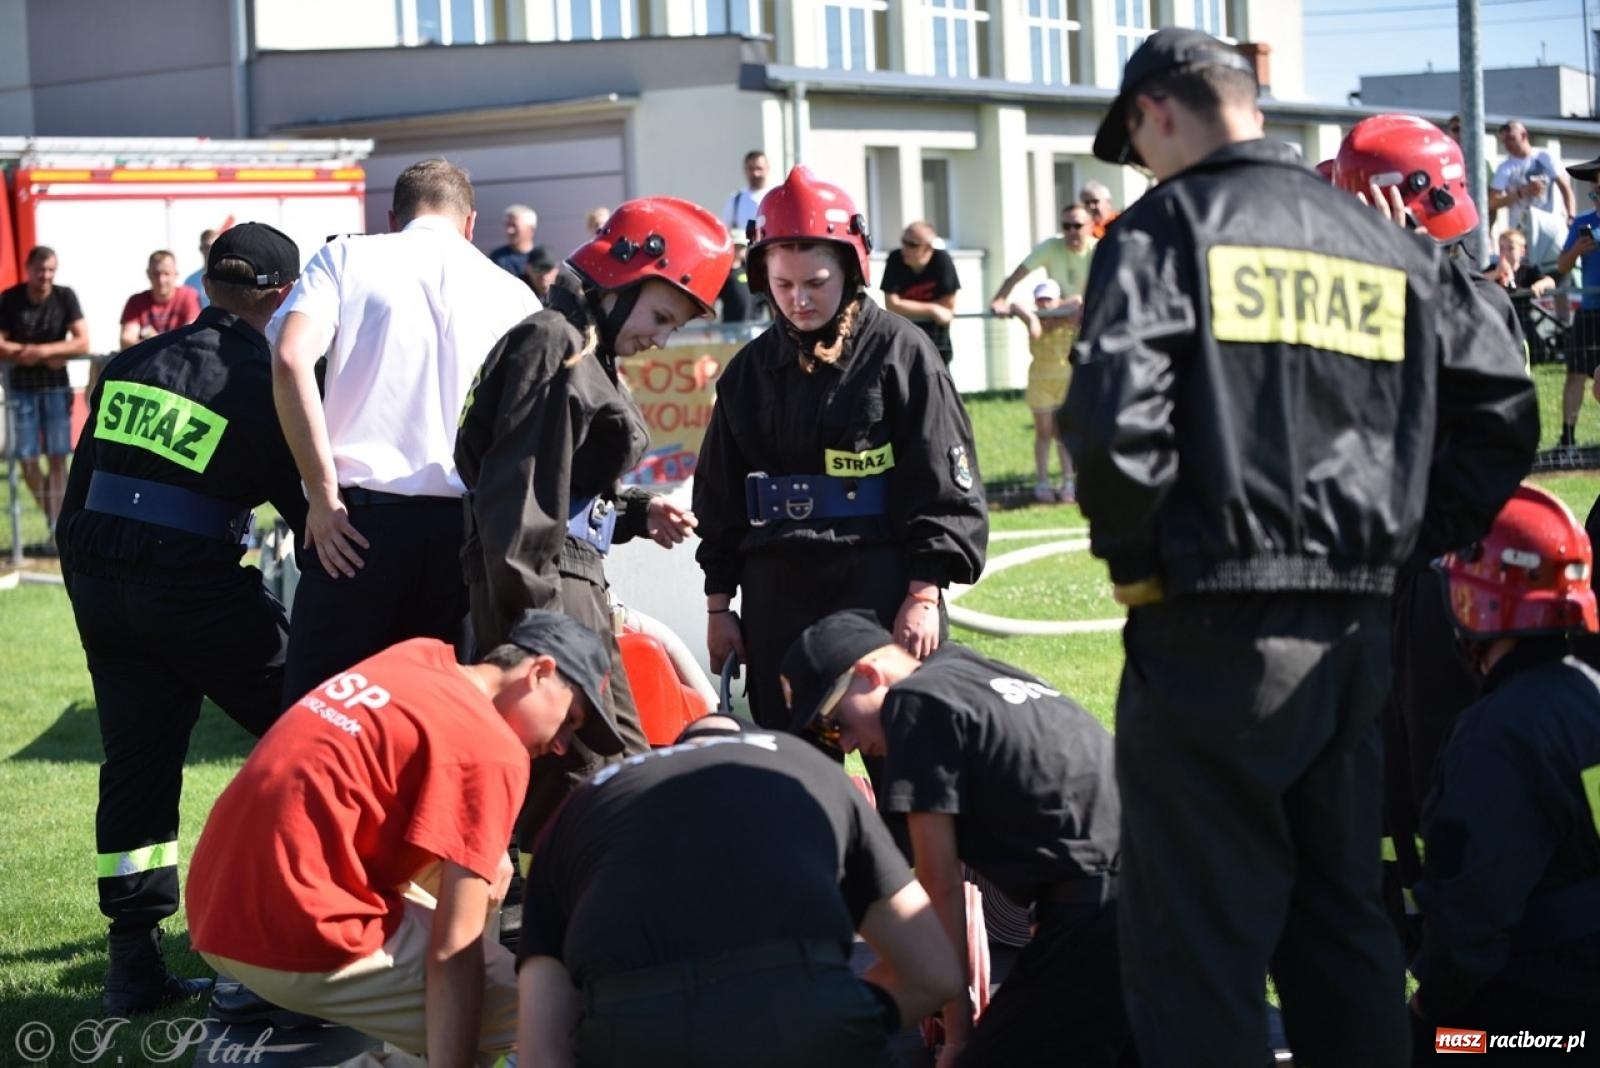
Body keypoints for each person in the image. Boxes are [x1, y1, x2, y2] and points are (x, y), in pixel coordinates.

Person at [1064, 29, 1538, 1067]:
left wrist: (1145, 567)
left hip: (1208, 626)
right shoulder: (1374, 236)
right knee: (1342, 925)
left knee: (1197, 941)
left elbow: (1107, 425)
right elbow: (1501, 403)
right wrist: (1408, 536)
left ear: (1156, 115)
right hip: (1354, 632)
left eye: (1138, 148)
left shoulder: (1162, 232)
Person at [52, 224, 308, 1014]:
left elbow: (79, 492)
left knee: (137, 770)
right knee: (319, 728)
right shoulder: (262, 379)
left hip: (101, 585)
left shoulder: (127, 363)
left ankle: (133, 968)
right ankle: (300, 929)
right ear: (279, 296)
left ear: (206, 279)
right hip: (188, 586)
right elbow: (309, 517)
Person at [185, 610, 626, 1066]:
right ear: (540, 672)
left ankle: (415, 1047)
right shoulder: (495, 750)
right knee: (562, 1014)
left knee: (489, 870)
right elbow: (453, 953)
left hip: (214, 903)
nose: (561, 745)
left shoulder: (417, 658)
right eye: (570, 720)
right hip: (290, 926)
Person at [455, 196, 732, 838]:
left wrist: (632, 512)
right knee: (585, 774)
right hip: (549, 593)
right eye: (661, 315)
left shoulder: (578, 347)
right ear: (620, 277)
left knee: (608, 768)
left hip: (562, 586)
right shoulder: (555, 344)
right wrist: (543, 637)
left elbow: (557, 481)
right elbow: (519, 499)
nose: (659, 338)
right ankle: (554, 923)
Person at [1331, 113, 1537, 963]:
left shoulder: (1469, 302)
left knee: (1441, 774)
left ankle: (1469, 999)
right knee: (1381, 777)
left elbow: (1478, 433)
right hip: (1383, 579)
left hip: (1443, 581)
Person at [692, 164, 988, 731]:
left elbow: (943, 483)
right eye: (783, 286)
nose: (799, 300)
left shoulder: (903, 353)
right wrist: (718, 606)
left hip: (882, 587)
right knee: (797, 775)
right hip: (778, 594)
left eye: (816, 283)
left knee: (907, 760)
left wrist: (924, 593)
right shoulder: (746, 375)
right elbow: (721, 499)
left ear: (851, 270)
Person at [783, 610, 1132, 1066]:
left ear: (868, 675)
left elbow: (940, 886)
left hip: (1102, 908)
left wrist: (959, 1035)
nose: (844, 744)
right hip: (1154, 883)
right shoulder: (971, 670)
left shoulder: (912, 704)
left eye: (834, 724)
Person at [517, 713, 963, 1067]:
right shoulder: (806, 764)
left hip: (634, 1027)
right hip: (807, 1011)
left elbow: (542, 1049)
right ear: (748, 738)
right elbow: (935, 975)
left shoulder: (581, 805)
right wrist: (841, 1017)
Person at [272, 158, 541, 708]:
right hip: (465, 537)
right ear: (471, 224)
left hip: (355, 529)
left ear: (393, 218)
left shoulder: (347, 256)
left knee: (325, 723)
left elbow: (290, 356)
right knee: (443, 725)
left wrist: (321, 498)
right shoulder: (514, 294)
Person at [1409, 484, 1600, 1041]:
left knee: (1420, 1043)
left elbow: (1469, 923)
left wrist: (1428, 1009)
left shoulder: (1496, 734)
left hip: (1532, 1018)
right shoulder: (1586, 697)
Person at [0, 245, 89, 536]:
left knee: (57, 455)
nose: (45, 276)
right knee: (27, 458)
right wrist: (40, 354)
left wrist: (37, 351)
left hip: (55, 388)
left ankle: (57, 526)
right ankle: (57, 520)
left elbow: (82, 341)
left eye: (51, 270)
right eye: (40, 270)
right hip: (21, 390)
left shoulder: (65, 296)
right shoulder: (10, 299)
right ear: (28, 270)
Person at [1007, 279, 1078, 503]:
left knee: (1063, 433)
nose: (1045, 304)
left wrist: (1058, 313)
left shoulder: (1067, 317)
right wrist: (1031, 318)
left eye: (1049, 299)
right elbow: (1015, 304)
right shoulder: (1033, 318)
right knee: (1043, 431)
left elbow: (1078, 300)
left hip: (1064, 379)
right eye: (1041, 299)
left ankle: (1068, 481)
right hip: (1040, 380)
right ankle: (1043, 481)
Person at [1556, 154, 1600, 450]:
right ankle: (1567, 438)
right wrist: (1577, 252)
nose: (1596, 197)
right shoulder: (1583, 223)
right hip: (1589, 310)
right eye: (1594, 193)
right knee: (1576, 374)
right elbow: (1562, 266)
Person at [987, 202, 1096, 318]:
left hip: (1090, 316)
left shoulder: (1098, 249)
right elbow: (1015, 276)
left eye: (1077, 226)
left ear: (1090, 226)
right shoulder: (1051, 246)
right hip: (1058, 318)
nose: (1071, 231)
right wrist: (999, 300)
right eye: (1066, 226)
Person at [880, 220, 961, 367]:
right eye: (903, 242)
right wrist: (932, 309)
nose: (905, 248)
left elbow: (947, 309)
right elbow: (892, 305)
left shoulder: (942, 261)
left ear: (928, 247)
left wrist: (905, 307)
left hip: (936, 342)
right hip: (901, 340)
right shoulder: (895, 259)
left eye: (912, 245)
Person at [1490, 120, 1575, 230]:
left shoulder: (1545, 157)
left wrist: (1571, 216)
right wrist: (1521, 193)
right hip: (1520, 228)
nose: (1507, 144)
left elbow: (1565, 187)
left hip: (1549, 225)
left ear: (1523, 135)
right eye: (1504, 141)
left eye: (1511, 139)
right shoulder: (1504, 167)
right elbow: (1492, 202)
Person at [119, 250, 201, 350]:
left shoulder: (188, 296)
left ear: (175, 274)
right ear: (148, 274)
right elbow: (127, 339)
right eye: (156, 274)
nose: (161, 280)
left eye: (166, 274)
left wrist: (153, 343)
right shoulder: (136, 301)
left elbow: (191, 335)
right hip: (146, 361)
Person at [718, 227, 762, 324]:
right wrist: (709, 327)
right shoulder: (723, 273)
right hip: (731, 326)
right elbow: (714, 301)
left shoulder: (752, 270)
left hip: (753, 324)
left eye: (742, 246)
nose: (740, 250)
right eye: (737, 246)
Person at [488, 203, 542, 278]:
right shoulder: (498, 257)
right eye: (507, 225)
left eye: (515, 226)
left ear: (530, 229)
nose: (509, 231)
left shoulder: (541, 257)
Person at [725, 149, 770, 234]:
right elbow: (726, 230)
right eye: (751, 169)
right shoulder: (735, 200)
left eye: (759, 168)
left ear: (767, 169)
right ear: (745, 170)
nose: (755, 173)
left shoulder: (775, 197)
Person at [182, 229, 218, 311]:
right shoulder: (190, 281)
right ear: (201, 248)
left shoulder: (228, 278)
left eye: (214, 246)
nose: (210, 251)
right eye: (207, 247)